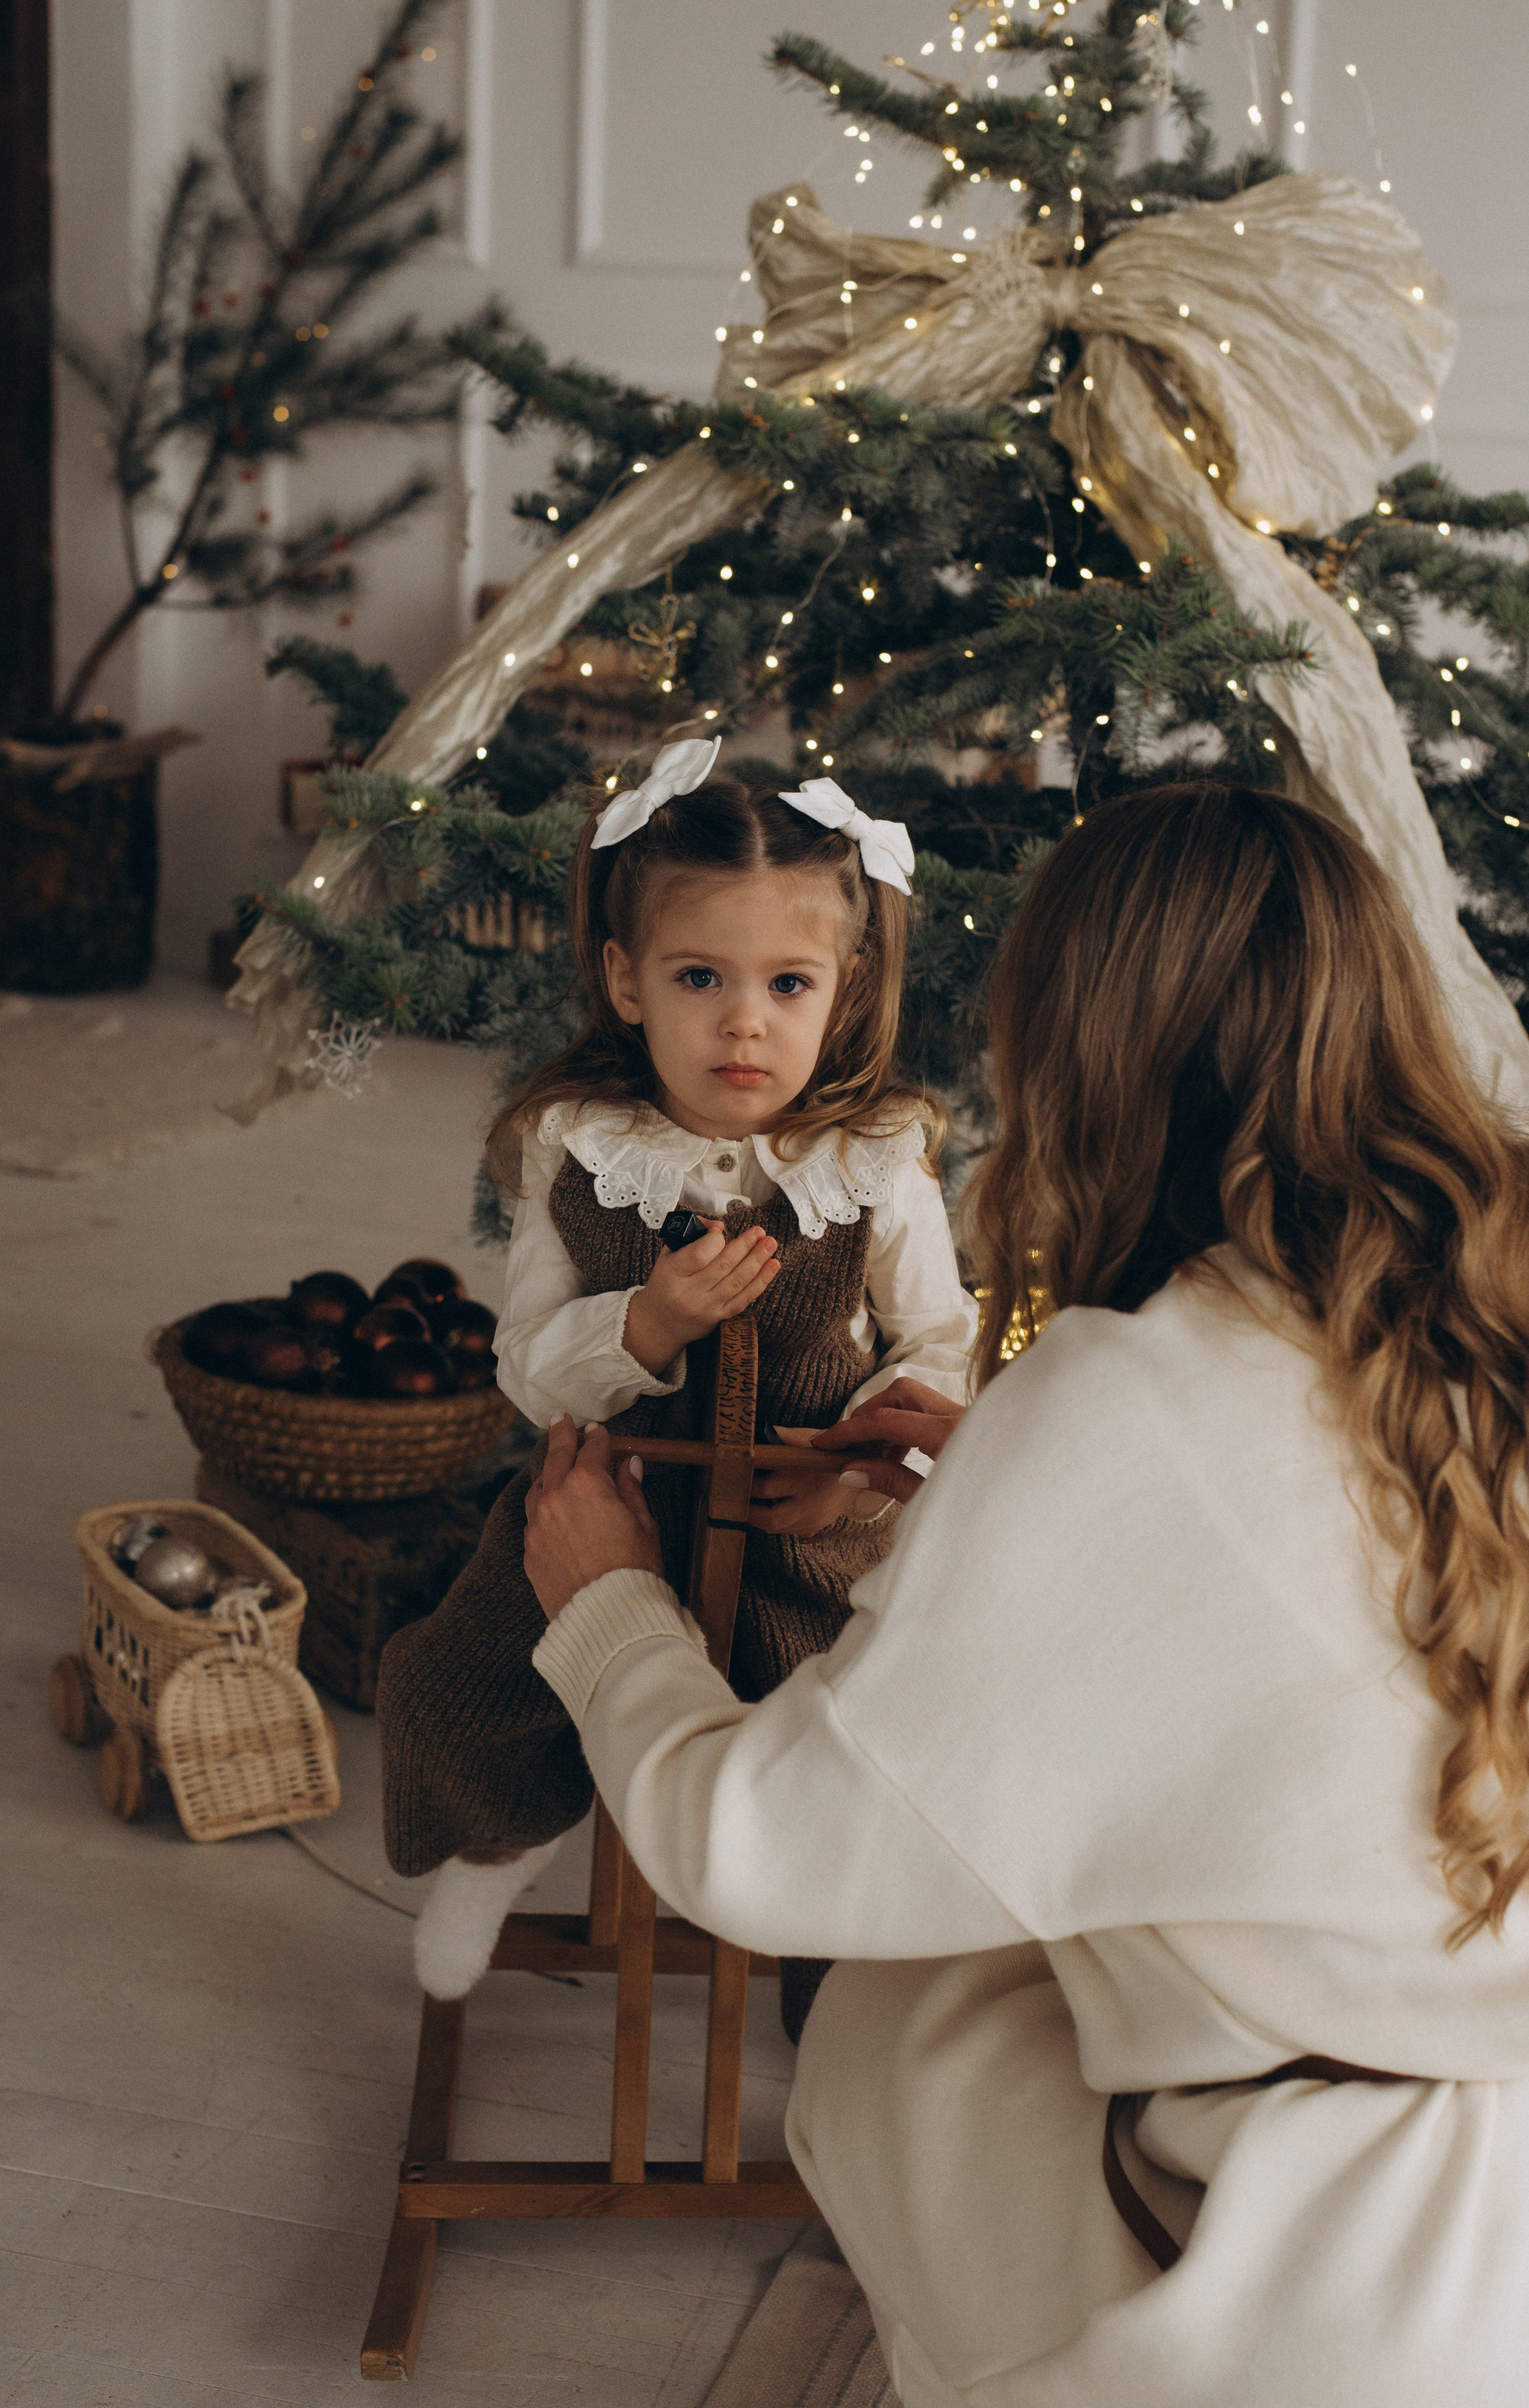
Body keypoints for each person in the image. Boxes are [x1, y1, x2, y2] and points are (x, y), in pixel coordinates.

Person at [521, 782, 1529, 2408]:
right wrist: (1007, 1486)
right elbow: (1316, 1589)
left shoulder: (1138, 1391)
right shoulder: (1484, 1284)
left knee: (904, 2007)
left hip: (1317, 2300)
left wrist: (607, 1606)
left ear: (1077, 1057)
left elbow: (762, 1852)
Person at [377, 737, 979, 2034]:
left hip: (805, 1523)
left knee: (854, 1745)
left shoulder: (875, 1160)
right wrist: (644, 1326)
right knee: (460, 1685)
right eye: (699, 977)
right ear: (626, 981)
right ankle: (495, 1849)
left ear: (844, 986)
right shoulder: (580, 1147)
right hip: (613, 1516)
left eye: (785, 982)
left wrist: (846, 1476)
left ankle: (837, 2001)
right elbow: (531, 1360)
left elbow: (939, 1344)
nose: (743, 1020)